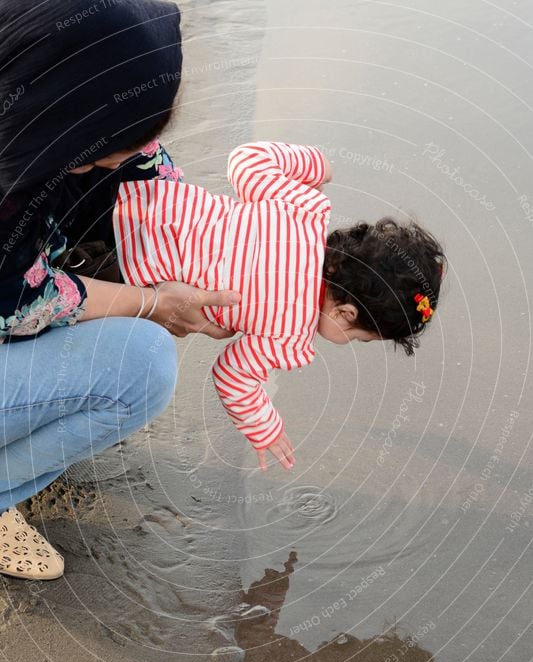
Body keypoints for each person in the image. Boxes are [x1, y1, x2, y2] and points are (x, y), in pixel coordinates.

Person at [0, 0, 240, 582]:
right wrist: (157, 303)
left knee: (131, 236)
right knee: (142, 365)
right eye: (125, 138)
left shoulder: (50, 92)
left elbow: (162, 191)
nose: (143, 150)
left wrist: (269, 272)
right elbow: (17, 306)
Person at [114, 141, 446, 471]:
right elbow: (232, 376)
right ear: (346, 314)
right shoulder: (291, 338)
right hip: (118, 273)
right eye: (360, 338)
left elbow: (245, 160)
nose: (353, 343)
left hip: (131, 198)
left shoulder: (306, 210)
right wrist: (265, 429)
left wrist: (317, 164)